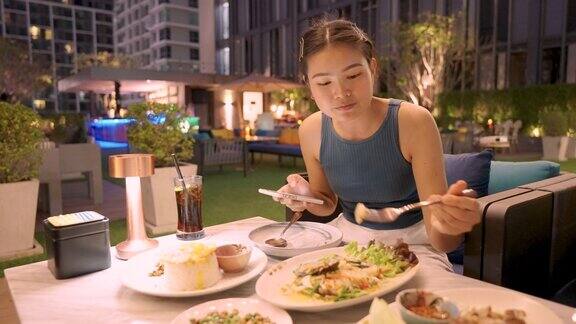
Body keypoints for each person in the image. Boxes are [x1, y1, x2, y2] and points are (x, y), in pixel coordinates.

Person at [273, 19, 481, 272]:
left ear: (372, 67)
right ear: (308, 84)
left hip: (415, 246)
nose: (340, 92)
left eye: (353, 75)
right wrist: (306, 197)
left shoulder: (413, 122)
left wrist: (450, 225)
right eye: (324, 82)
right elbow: (326, 202)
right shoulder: (311, 130)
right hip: (346, 241)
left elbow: (442, 240)